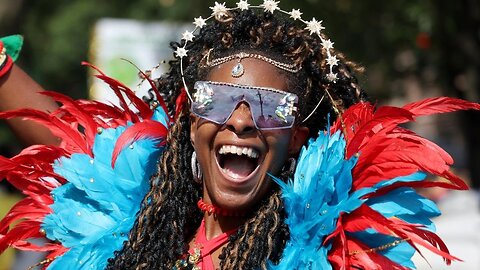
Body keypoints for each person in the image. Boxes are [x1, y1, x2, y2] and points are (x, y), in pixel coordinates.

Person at [0, 1, 479, 269]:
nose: (243, 121)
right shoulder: (134, 211)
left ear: (296, 137)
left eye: (272, 108)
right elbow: (60, 135)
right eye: (220, 101)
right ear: (191, 120)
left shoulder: (333, 252)